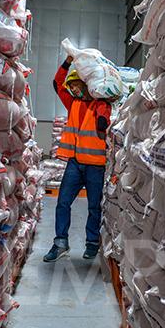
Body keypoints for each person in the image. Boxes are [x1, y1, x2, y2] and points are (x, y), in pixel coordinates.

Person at [43, 55, 112, 262]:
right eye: (71, 86)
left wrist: (102, 119)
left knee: (94, 206)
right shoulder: (73, 103)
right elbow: (57, 83)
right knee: (63, 202)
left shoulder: (101, 104)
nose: (73, 89)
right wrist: (68, 62)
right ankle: (60, 243)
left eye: (75, 85)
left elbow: (104, 119)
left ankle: (92, 243)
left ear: (86, 85)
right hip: (75, 163)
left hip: (96, 166)